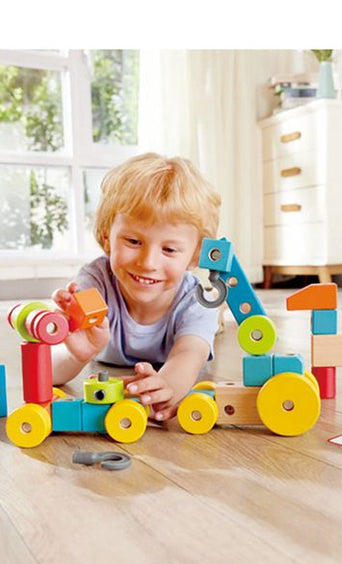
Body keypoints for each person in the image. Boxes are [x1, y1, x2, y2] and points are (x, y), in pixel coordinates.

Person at [51, 153, 222, 422]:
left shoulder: (196, 299)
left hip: (192, 319)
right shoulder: (93, 283)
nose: (147, 263)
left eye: (169, 249)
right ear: (107, 238)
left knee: (208, 316)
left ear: (194, 256)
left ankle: (217, 318)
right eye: (133, 241)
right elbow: (51, 373)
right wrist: (74, 354)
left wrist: (167, 386)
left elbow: (190, 354)